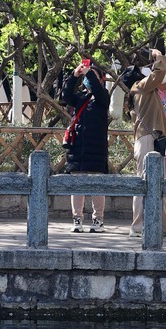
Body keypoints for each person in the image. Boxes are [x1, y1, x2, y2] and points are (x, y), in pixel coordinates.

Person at [123, 49, 166, 238]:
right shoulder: (141, 87)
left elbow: (159, 77)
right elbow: (160, 73)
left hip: (150, 139)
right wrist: (158, 56)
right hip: (147, 140)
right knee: (144, 183)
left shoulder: (142, 89)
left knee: (156, 184)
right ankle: (137, 226)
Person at [61, 59, 110, 233]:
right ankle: (77, 219)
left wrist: (90, 72)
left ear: (101, 80)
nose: (89, 80)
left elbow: (98, 89)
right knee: (77, 186)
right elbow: (66, 96)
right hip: (78, 149)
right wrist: (74, 76)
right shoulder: (81, 98)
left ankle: (98, 220)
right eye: (87, 76)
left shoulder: (103, 97)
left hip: (96, 149)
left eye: (93, 77)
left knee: (97, 185)